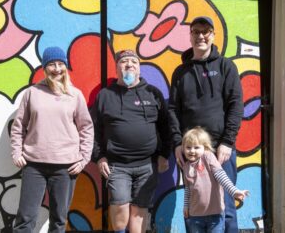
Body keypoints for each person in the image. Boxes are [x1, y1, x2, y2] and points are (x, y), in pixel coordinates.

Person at [168, 16, 244, 232]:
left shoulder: (226, 66)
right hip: (191, 150)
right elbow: (173, 109)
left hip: (220, 149)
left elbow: (236, 105)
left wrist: (227, 142)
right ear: (190, 35)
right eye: (196, 31)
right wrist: (177, 144)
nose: (200, 36)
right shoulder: (180, 72)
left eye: (205, 31)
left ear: (213, 35)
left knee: (226, 205)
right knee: (194, 206)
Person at [10, 46, 94, 232]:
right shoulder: (32, 93)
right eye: (51, 64)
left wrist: (83, 158)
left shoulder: (75, 95)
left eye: (60, 64)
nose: (57, 68)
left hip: (66, 167)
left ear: (65, 66)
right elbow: (18, 127)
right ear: (44, 68)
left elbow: (86, 128)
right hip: (34, 165)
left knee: (58, 220)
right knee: (25, 218)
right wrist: (17, 152)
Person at [92, 50, 170, 233]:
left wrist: (164, 154)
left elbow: (166, 127)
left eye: (133, 62)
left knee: (140, 211)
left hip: (147, 165)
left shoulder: (153, 94)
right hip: (117, 165)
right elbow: (94, 130)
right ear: (117, 68)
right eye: (124, 61)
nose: (129, 65)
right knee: (119, 206)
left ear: (139, 69)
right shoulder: (105, 95)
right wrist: (99, 157)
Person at [182, 127, 249, 233]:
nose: (192, 151)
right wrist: (186, 206)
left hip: (215, 216)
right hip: (195, 216)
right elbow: (188, 189)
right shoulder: (186, 166)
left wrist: (234, 191)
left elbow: (221, 176)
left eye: (196, 147)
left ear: (205, 147)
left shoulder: (208, 158)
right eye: (188, 147)